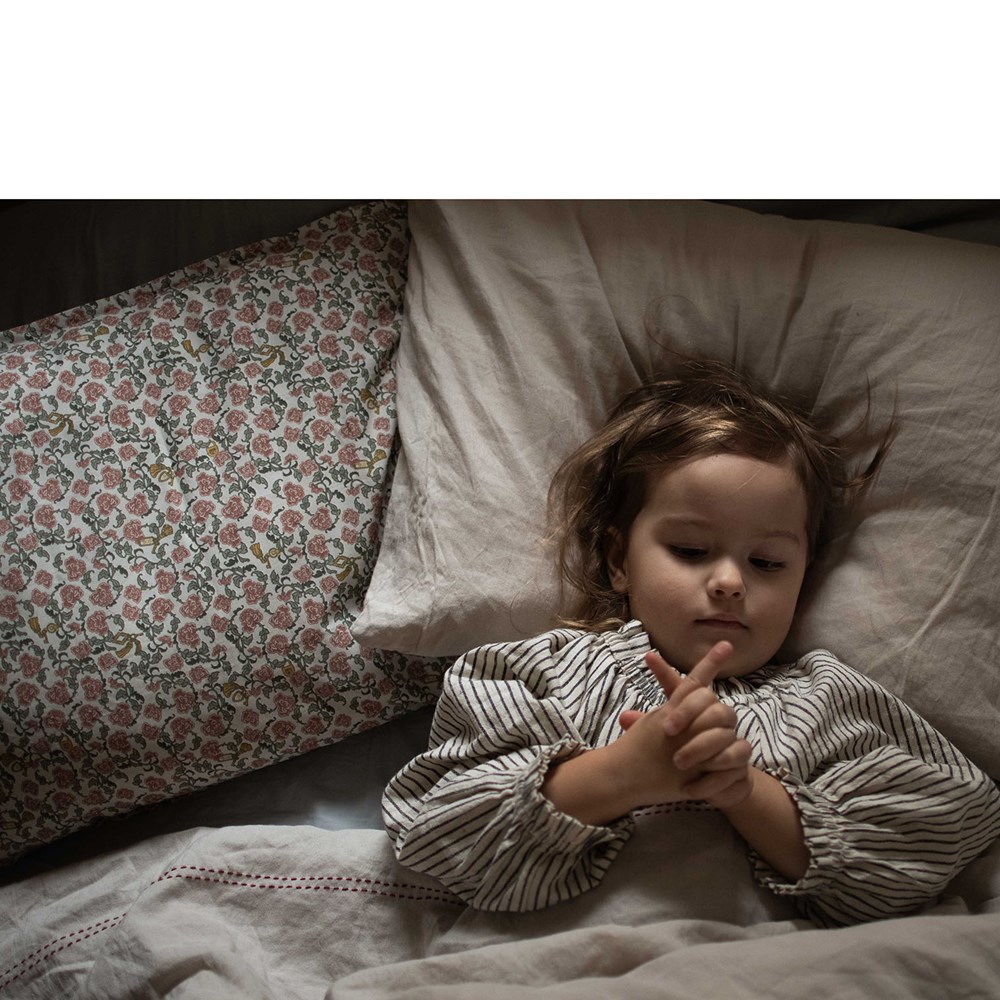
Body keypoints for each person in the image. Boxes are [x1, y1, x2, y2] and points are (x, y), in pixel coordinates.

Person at [381, 359, 1000, 926]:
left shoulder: (828, 702)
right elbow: (439, 834)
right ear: (619, 561)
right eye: (691, 550)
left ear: (804, 578)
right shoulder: (544, 673)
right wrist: (622, 774)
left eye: (767, 562)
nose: (730, 581)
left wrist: (745, 791)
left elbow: (934, 842)